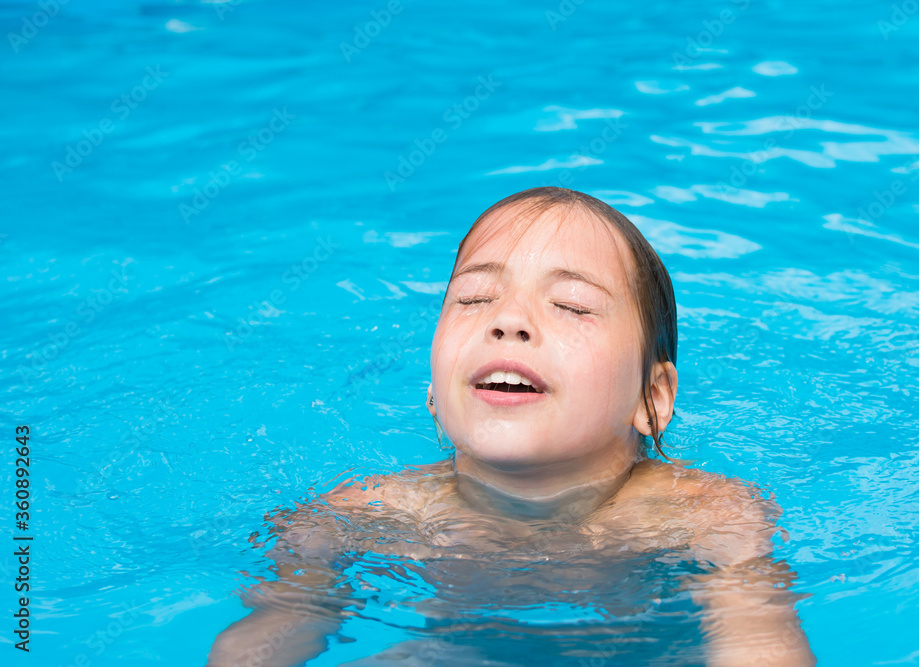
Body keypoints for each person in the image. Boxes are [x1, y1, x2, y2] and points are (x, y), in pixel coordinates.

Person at [206, 187, 815, 666]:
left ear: (651, 399)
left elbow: (760, 643)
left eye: (572, 305)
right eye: (473, 300)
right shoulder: (374, 510)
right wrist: (300, 566)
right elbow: (267, 632)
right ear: (434, 392)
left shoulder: (704, 515)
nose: (509, 321)